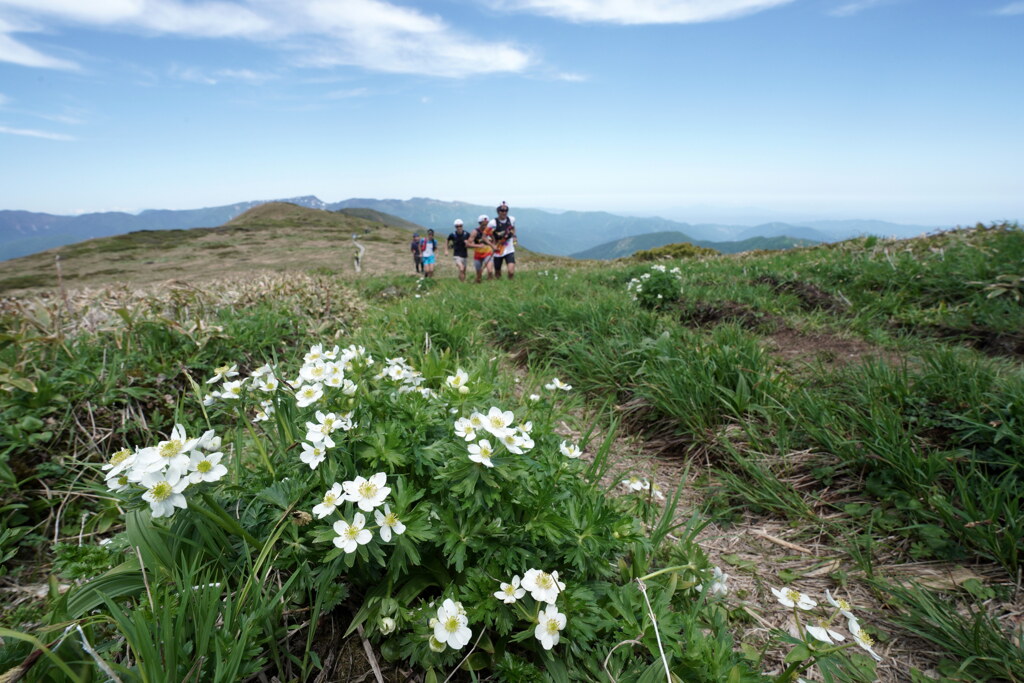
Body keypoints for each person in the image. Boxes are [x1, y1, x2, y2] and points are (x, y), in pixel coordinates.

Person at [490, 202, 517, 280]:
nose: (504, 212)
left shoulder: (511, 219)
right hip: (498, 250)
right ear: (498, 211)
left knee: (511, 271)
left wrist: (514, 237)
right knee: (497, 272)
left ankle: (510, 285)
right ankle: (498, 286)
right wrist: (492, 245)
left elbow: (513, 228)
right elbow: (485, 236)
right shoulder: (493, 223)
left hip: (509, 249)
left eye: (506, 210)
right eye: (502, 210)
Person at [467, 214, 495, 283]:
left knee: (490, 271)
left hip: (488, 253)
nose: (485, 226)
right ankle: (478, 284)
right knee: (479, 274)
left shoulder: (490, 231)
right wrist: (478, 246)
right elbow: (468, 244)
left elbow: (494, 240)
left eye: (487, 224)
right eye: (483, 224)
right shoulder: (475, 232)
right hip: (478, 255)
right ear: (480, 223)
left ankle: (490, 285)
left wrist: (493, 246)